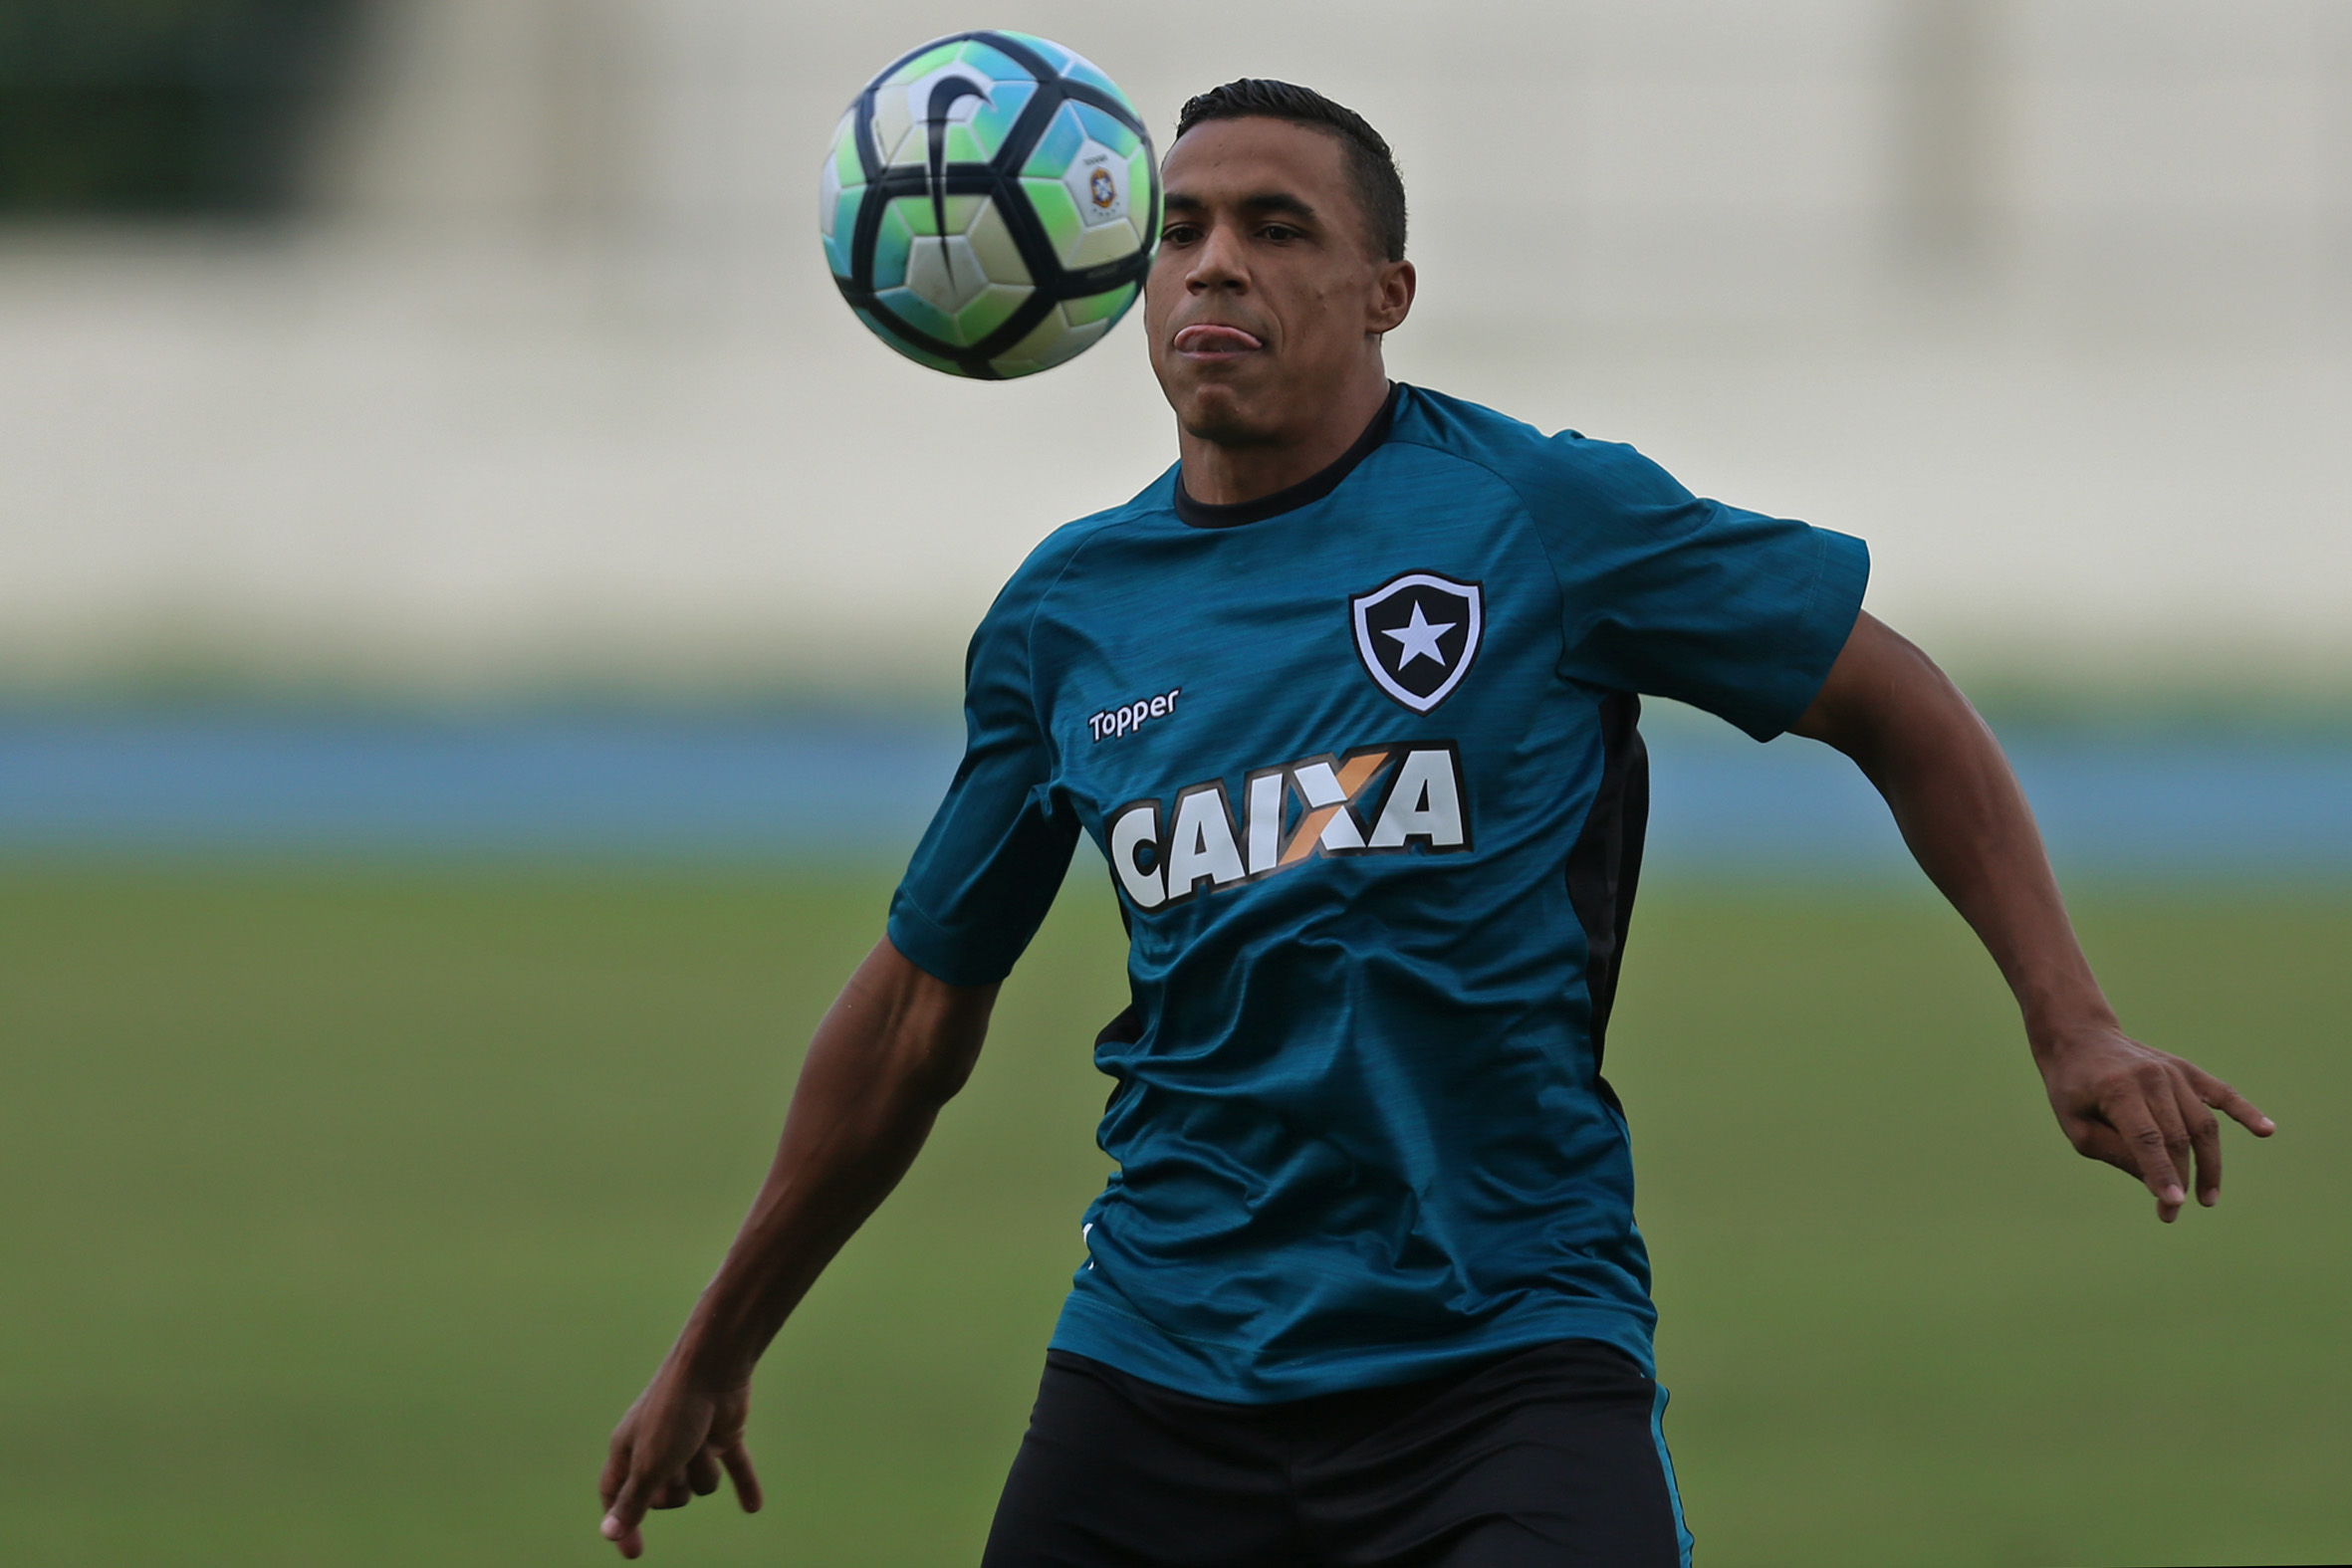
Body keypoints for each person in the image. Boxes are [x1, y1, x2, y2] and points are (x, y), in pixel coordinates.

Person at [597, 79, 2273, 1566]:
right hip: (1164, 1357)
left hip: (1501, 1352)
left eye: (1273, 226)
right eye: (1176, 230)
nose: (1212, 264)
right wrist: (718, 1341)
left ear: (1385, 290)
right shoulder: (1068, 619)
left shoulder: (1534, 516)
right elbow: (910, 1013)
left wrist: (2072, 1022)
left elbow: (1888, 697)